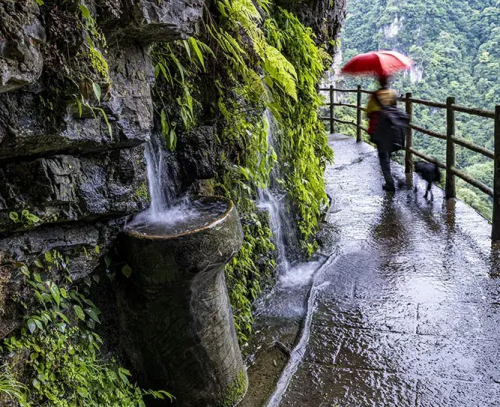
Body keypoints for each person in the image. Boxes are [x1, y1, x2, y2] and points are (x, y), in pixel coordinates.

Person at [366, 76, 398, 192]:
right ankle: (394, 180)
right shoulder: (393, 94)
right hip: (392, 130)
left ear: (379, 82)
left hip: (380, 131)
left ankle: (390, 183)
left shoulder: (375, 95)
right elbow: (395, 110)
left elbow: (368, 113)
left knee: (383, 158)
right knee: (388, 153)